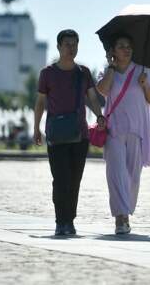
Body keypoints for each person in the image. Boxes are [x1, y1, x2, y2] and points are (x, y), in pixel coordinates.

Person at [33, 29, 106, 237]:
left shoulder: (83, 72)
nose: (71, 48)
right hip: (56, 135)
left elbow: (92, 98)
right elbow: (39, 102)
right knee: (60, 179)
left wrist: (99, 116)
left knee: (75, 180)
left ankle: (70, 220)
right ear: (58, 47)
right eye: (67, 44)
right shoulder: (47, 73)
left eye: (74, 44)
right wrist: (36, 127)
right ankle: (60, 221)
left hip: (79, 135)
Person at [96, 32, 150, 235]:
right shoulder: (106, 71)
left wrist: (145, 85)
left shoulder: (142, 70)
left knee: (132, 176)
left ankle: (126, 209)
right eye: (121, 46)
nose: (127, 49)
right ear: (113, 51)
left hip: (136, 131)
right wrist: (112, 68)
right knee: (116, 173)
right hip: (114, 130)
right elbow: (103, 90)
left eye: (129, 46)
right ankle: (121, 218)